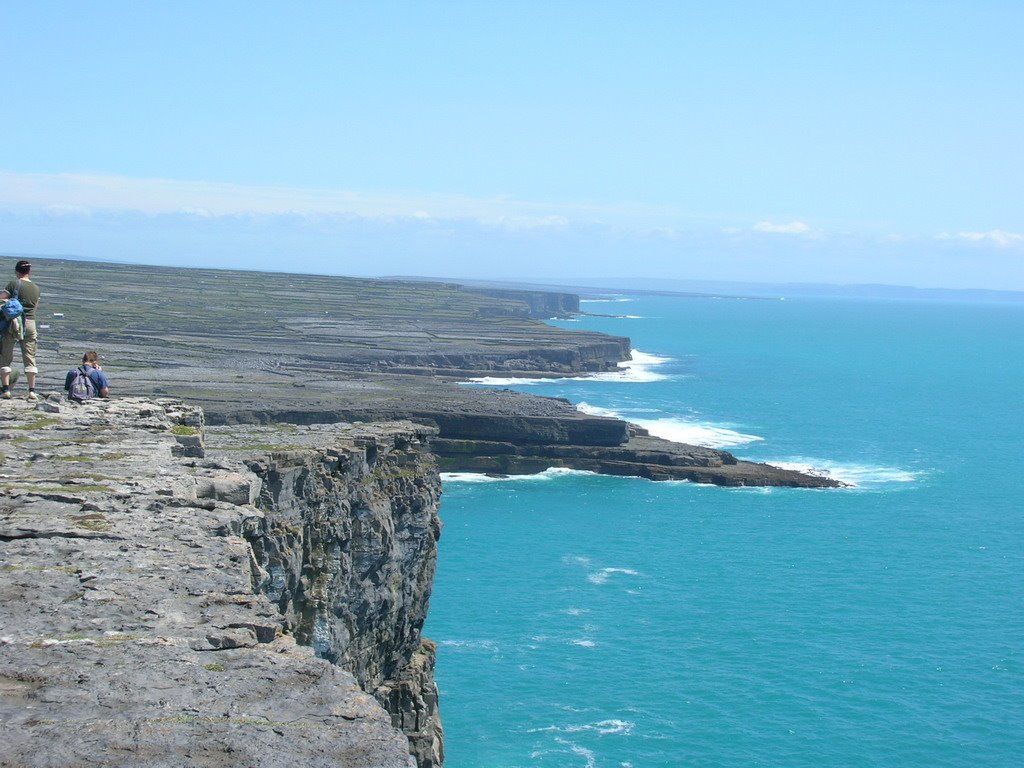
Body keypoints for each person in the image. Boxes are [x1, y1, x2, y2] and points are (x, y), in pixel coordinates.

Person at [0, 260, 41, 400]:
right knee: (30, 356)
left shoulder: (14, 284)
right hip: (30, 322)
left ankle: (5, 390)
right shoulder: (36, 288)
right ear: (29, 271)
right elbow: (35, 308)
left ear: (17, 271)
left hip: (14, 322)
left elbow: (1, 299)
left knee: (5, 354)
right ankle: (31, 391)